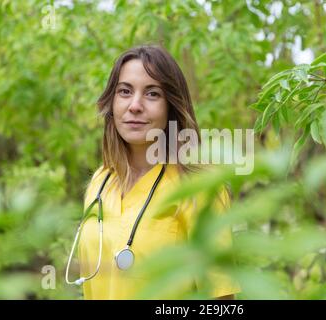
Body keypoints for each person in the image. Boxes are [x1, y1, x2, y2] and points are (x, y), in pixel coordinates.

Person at [75, 44, 241, 299]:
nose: (135, 105)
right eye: (125, 91)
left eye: (152, 94)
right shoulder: (100, 181)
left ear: (171, 106)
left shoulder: (200, 189)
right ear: (112, 100)